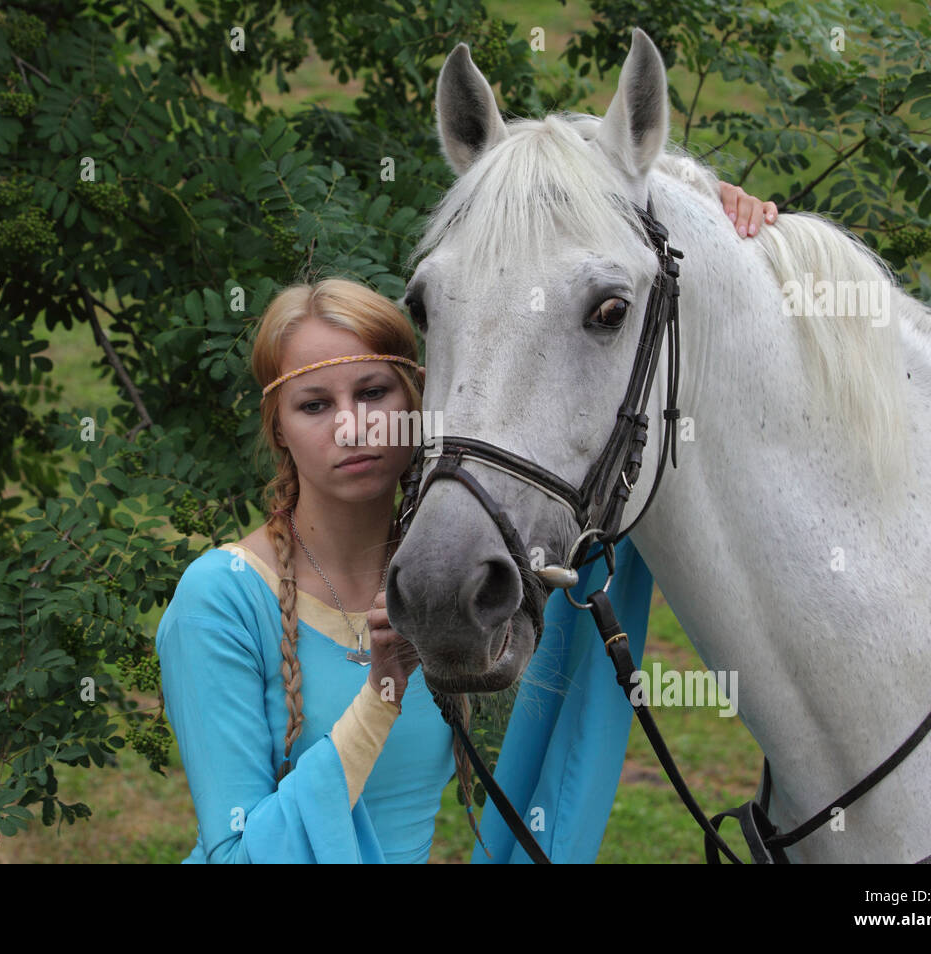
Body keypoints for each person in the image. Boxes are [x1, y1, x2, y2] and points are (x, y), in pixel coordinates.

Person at [156, 186, 778, 863]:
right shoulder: (219, 598)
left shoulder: (455, 580)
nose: (354, 424)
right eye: (314, 404)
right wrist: (382, 693)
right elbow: (233, 857)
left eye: (373, 392)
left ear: (423, 399)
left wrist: (696, 212)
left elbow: (605, 573)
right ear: (278, 427)